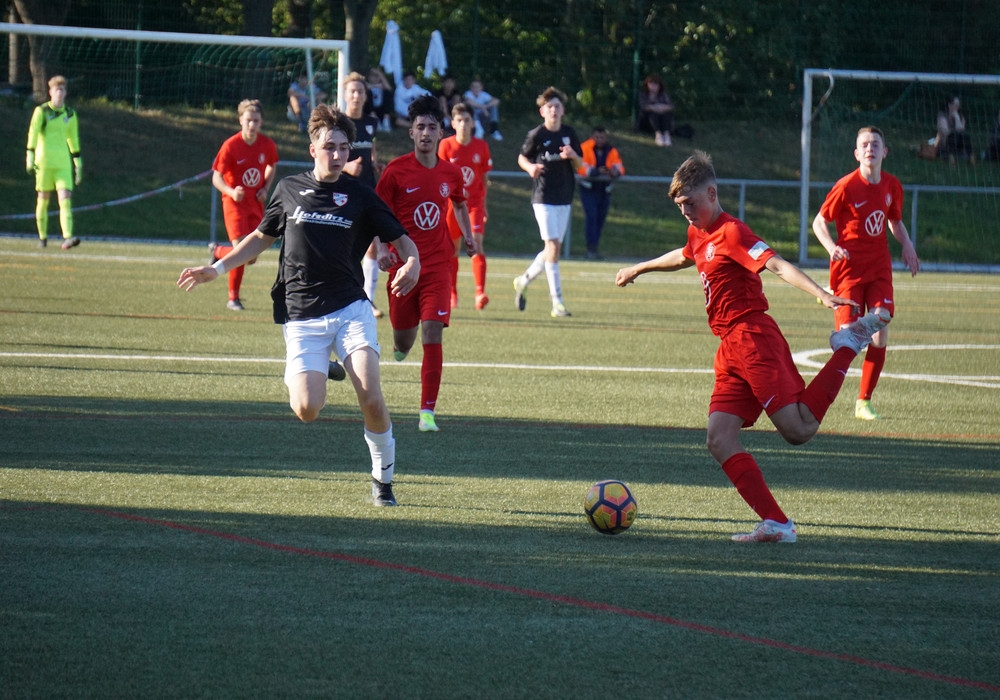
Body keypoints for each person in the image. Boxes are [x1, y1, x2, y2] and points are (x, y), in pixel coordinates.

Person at [615, 151, 891, 543]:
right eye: (679, 206)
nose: (685, 212)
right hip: (729, 347)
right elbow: (685, 255)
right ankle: (777, 523)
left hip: (753, 337)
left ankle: (848, 344)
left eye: (690, 203)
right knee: (719, 438)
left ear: (712, 194)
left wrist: (821, 292)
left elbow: (776, 264)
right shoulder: (699, 232)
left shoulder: (732, 232)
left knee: (798, 429)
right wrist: (639, 267)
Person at [178, 104, 420, 507]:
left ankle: (383, 481)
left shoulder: (361, 196)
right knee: (307, 408)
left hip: (350, 309)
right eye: (329, 147)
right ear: (313, 150)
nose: (337, 154)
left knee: (371, 396)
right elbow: (261, 237)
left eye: (343, 147)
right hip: (302, 312)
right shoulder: (289, 189)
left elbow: (403, 241)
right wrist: (217, 269)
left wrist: (412, 262)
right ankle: (321, 366)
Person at [375, 95, 476, 433]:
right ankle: (399, 344)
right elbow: (376, 214)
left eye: (432, 127)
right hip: (402, 268)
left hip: (437, 266)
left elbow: (459, 204)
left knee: (433, 330)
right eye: (420, 127)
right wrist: (381, 249)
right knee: (404, 341)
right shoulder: (395, 171)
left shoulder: (451, 172)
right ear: (412, 132)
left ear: (441, 132)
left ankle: (427, 413)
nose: (426, 133)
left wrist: (468, 235)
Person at [812, 126, 920, 420]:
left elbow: (894, 221)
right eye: (865, 144)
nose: (870, 148)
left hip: (878, 266)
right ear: (857, 153)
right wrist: (831, 247)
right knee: (847, 344)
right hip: (848, 269)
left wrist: (907, 245)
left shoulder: (892, 186)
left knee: (881, 327)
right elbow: (819, 222)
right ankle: (820, 396)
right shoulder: (846, 186)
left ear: (885, 151)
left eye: (875, 144)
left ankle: (863, 402)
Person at [513, 86, 583, 318]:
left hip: (564, 196)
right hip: (543, 197)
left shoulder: (570, 133)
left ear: (563, 110)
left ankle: (523, 280)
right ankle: (557, 302)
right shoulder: (537, 135)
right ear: (542, 111)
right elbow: (522, 157)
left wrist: (573, 156)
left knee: (552, 250)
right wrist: (530, 167)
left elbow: (580, 165)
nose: (553, 110)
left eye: (557, 106)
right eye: (549, 107)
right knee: (552, 247)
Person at [209, 99, 279, 311]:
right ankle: (233, 298)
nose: (252, 124)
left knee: (251, 257)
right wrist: (231, 192)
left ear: (261, 122)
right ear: (240, 120)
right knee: (241, 251)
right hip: (235, 205)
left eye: (256, 121)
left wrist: (265, 188)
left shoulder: (267, 145)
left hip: (255, 204)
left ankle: (218, 251)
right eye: (248, 120)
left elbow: (271, 165)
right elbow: (216, 177)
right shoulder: (231, 146)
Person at [439, 103, 493, 310]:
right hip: (453, 206)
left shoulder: (481, 146)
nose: (463, 124)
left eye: (466, 120)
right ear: (453, 123)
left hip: (474, 204)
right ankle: (452, 293)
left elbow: (484, 178)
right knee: (453, 249)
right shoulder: (446, 146)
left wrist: (484, 205)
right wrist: (455, 192)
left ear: (473, 123)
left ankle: (480, 292)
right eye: (459, 120)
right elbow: (440, 177)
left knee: (476, 243)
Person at [342, 71, 385, 319]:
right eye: (352, 91)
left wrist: (375, 163)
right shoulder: (338, 123)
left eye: (360, 91)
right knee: (343, 247)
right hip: (343, 194)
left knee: (372, 246)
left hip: (368, 191)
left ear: (365, 95)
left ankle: (367, 300)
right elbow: (325, 156)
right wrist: (347, 167)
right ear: (345, 94)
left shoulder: (371, 122)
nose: (356, 95)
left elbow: (372, 146)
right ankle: (341, 296)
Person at [25, 75, 82, 250]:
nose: (59, 93)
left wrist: (78, 163)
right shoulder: (42, 111)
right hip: (44, 163)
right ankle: (42, 238)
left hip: (63, 164)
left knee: (65, 199)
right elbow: (33, 133)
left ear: (66, 93)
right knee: (43, 199)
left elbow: (73, 139)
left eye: (62, 89)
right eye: (56, 89)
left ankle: (68, 237)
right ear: (50, 92)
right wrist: (30, 156)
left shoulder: (70, 114)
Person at [576, 126, 625, 260]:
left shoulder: (611, 151)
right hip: (588, 188)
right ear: (592, 137)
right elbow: (580, 167)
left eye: (602, 137)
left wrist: (614, 172)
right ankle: (590, 249)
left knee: (600, 219)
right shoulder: (584, 148)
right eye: (597, 137)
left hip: (604, 189)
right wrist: (596, 172)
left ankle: (594, 248)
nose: (599, 140)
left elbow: (619, 167)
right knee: (592, 217)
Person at [636, 74, 675, 147]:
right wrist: (655, 108)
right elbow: (644, 107)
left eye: (655, 84)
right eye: (650, 83)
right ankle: (658, 135)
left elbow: (671, 106)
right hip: (646, 121)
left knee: (667, 114)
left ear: (659, 85)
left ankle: (666, 135)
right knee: (653, 114)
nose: (653, 86)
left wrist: (661, 107)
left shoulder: (663, 95)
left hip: (661, 119)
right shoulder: (643, 94)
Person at [935, 96, 973, 162]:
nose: (957, 107)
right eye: (955, 105)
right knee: (953, 136)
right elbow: (945, 131)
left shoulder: (961, 116)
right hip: (945, 142)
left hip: (958, 142)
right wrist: (954, 132)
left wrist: (957, 117)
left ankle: (971, 157)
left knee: (966, 136)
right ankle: (951, 158)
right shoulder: (942, 115)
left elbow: (961, 130)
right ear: (949, 105)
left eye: (958, 106)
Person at [365, 67, 393, 132]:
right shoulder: (366, 84)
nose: (375, 78)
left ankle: (386, 121)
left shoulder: (383, 86)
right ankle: (375, 121)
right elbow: (366, 87)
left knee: (387, 92)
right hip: (370, 111)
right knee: (368, 93)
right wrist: (375, 86)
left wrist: (380, 74)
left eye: (377, 76)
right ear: (369, 77)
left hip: (381, 109)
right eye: (373, 75)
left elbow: (389, 89)